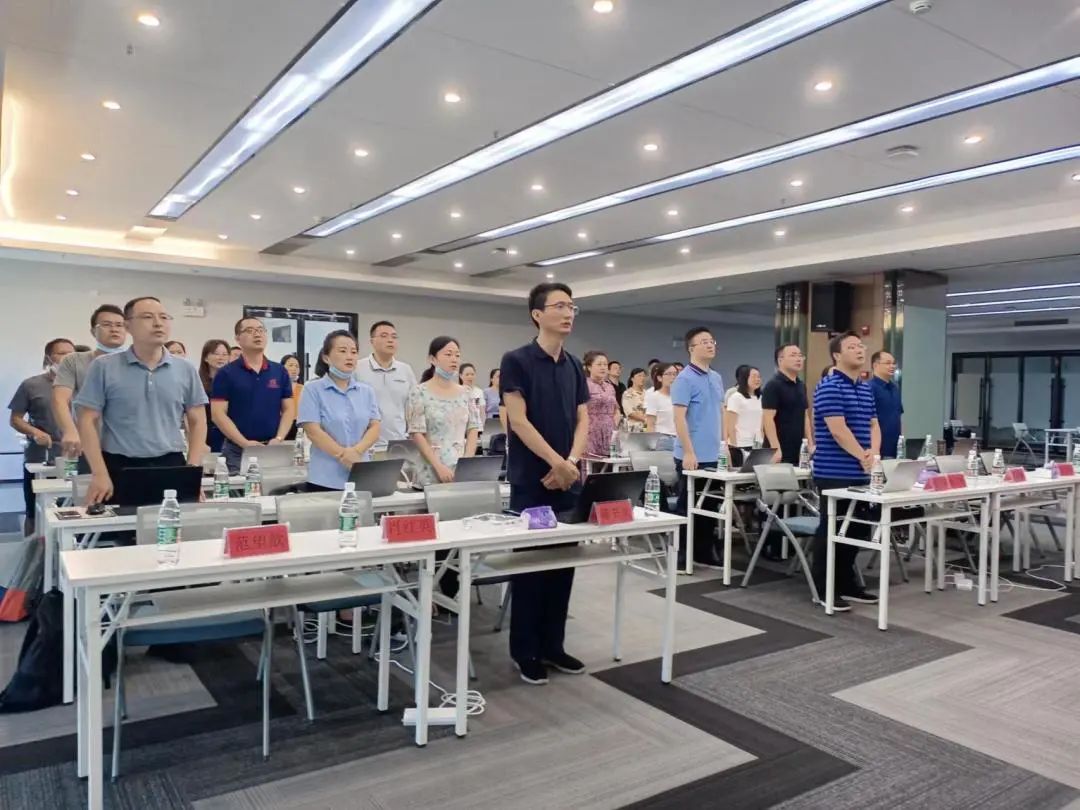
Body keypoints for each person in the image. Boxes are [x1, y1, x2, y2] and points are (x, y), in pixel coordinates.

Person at [500, 282, 589, 685]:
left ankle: (554, 645)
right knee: (532, 568)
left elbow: (583, 418)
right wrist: (556, 462)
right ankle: (525, 651)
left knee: (563, 566)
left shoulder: (573, 365)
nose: (568, 313)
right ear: (537, 314)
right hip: (532, 481)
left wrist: (570, 464)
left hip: (567, 479)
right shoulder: (516, 360)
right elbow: (518, 421)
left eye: (571, 306)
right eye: (559, 306)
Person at [74, 296, 207, 505]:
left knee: (173, 524)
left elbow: (198, 421)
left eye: (164, 317)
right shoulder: (104, 367)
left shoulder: (185, 369)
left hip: (171, 463)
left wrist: (192, 469)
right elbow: (86, 420)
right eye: (147, 317)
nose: (158, 323)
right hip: (120, 465)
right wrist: (99, 473)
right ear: (128, 326)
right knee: (122, 525)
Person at [811, 330, 880, 611]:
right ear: (837, 355)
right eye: (852, 347)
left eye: (861, 346)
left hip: (861, 470)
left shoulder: (864, 387)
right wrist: (863, 456)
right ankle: (824, 588)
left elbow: (874, 424)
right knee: (832, 529)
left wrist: (873, 453)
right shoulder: (829, 386)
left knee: (858, 529)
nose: (860, 350)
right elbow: (838, 430)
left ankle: (847, 583)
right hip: (833, 471)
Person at [297, 331, 381, 491]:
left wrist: (356, 452)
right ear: (326, 357)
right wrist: (343, 455)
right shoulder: (312, 389)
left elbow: (375, 427)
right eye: (343, 351)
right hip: (325, 478)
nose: (350, 357)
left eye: (354, 352)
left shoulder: (366, 391)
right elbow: (313, 431)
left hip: (361, 474)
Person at [211, 316, 296, 472]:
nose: (257, 334)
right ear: (238, 338)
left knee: (277, 486)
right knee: (237, 487)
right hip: (238, 451)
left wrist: (279, 438)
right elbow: (218, 414)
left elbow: (289, 409)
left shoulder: (279, 371)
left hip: (272, 448)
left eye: (260, 330)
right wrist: (244, 443)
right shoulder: (226, 373)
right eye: (250, 331)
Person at [672, 327, 725, 567]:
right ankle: (681, 553)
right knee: (688, 506)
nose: (710, 345)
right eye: (704, 342)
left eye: (712, 341)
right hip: (691, 454)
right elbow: (679, 418)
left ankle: (704, 550)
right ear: (691, 348)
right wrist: (689, 451)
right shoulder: (684, 379)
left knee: (710, 504)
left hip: (713, 453)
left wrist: (724, 445)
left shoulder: (716, 377)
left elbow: (719, 413)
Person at [10, 338, 74, 535]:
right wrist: (35, 432)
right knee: (35, 511)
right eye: (61, 353)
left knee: (70, 510)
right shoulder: (31, 385)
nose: (67, 358)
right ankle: (32, 548)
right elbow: (15, 419)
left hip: (73, 457)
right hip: (40, 457)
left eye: (71, 354)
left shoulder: (82, 383)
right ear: (48, 358)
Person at [52, 303, 127, 462]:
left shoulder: (136, 363)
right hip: (83, 445)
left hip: (126, 448)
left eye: (119, 325)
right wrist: (70, 431)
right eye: (106, 324)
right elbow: (60, 400)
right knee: (72, 475)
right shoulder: (74, 361)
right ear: (93, 331)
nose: (114, 329)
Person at [407, 337, 481, 486]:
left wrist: (466, 463)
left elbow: (473, 428)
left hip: (459, 470)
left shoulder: (467, 393)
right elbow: (417, 433)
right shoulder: (419, 392)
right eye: (448, 354)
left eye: (457, 355)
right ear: (432, 359)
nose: (454, 359)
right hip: (430, 470)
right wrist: (438, 466)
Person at [355, 320, 417, 452]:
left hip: (398, 444)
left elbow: (414, 407)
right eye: (384, 336)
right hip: (365, 445)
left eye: (394, 337)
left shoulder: (405, 370)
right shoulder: (357, 368)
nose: (390, 340)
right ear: (372, 341)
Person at [762, 344, 813, 465]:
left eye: (800, 356)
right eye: (793, 355)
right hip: (778, 450)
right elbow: (768, 419)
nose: (798, 359)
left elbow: (805, 416)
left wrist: (810, 443)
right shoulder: (773, 385)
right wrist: (775, 448)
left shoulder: (801, 385)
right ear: (780, 360)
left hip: (799, 449)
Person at [582, 350, 618, 467]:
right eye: (599, 364)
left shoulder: (610, 387)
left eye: (605, 365)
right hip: (590, 431)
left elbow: (616, 408)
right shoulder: (583, 385)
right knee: (590, 466)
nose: (603, 368)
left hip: (609, 432)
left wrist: (615, 424)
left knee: (609, 466)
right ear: (589, 367)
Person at [724, 365, 763, 466]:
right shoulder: (736, 397)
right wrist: (733, 447)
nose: (757, 379)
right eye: (754, 376)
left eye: (759, 377)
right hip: (739, 445)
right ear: (745, 378)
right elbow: (730, 427)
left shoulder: (760, 398)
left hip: (757, 445)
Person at [198, 339, 231, 452]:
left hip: (230, 433)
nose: (221, 357)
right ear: (206, 358)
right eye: (216, 354)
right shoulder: (198, 382)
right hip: (207, 434)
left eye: (225, 354)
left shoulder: (234, 381)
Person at [870, 351, 903, 459]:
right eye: (888, 363)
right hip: (877, 449)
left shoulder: (894, 388)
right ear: (875, 365)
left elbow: (898, 416)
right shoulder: (869, 388)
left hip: (895, 448)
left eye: (893, 363)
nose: (892, 366)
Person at [645, 362, 677, 442]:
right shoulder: (654, 396)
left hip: (680, 439)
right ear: (659, 378)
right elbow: (650, 424)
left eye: (675, 374)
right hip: (663, 439)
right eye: (669, 374)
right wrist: (651, 444)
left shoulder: (680, 396)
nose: (673, 377)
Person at [280, 353, 304, 440]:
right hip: (280, 425)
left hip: (298, 426)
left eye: (297, 366)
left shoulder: (304, 388)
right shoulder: (276, 387)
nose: (294, 368)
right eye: (290, 365)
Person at [458, 362, 487, 428]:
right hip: (462, 426)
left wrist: (481, 426)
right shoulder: (457, 391)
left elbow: (482, 412)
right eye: (467, 374)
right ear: (461, 376)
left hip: (477, 426)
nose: (470, 377)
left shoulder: (479, 391)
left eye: (472, 374)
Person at [621, 367, 648, 433]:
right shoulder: (628, 393)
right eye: (639, 376)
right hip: (634, 428)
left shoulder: (647, 393)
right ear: (632, 379)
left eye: (643, 376)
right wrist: (645, 419)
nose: (642, 378)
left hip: (647, 427)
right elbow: (630, 412)